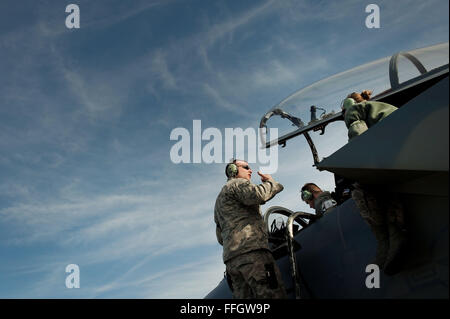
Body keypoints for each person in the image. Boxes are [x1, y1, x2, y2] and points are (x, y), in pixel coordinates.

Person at [341, 90, 407, 275]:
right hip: (405, 146)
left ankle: (388, 238)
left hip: (396, 154)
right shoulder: (380, 108)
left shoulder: (356, 110)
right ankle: (390, 238)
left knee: (362, 189)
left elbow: (360, 139)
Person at [214, 159, 287, 299]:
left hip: (232, 262)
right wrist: (271, 182)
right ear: (233, 170)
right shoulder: (238, 184)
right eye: (246, 167)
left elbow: (220, 237)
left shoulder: (219, 201)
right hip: (253, 254)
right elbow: (257, 195)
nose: (250, 170)